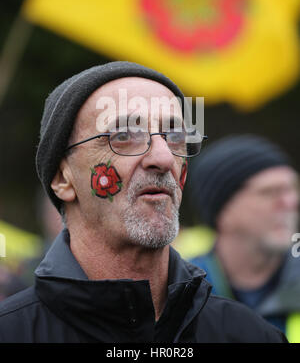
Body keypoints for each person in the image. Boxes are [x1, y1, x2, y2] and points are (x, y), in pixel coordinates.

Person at [0, 62, 287, 342]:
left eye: (175, 136)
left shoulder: (249, 334)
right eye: (123, 136)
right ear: (63, 179)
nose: (163, 158)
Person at [188, 134, 300, 341]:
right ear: (223, 213)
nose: (290, 202)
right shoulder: (179, 294)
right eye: (270, 192)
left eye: (292, 190)